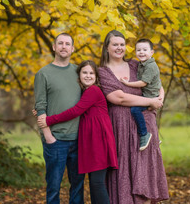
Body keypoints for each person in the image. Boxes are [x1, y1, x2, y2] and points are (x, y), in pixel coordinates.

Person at [98, 30, 169, 204]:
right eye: (115, 44)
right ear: (107, 47)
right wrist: (149, 101)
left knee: (143, 172)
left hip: (143, 127)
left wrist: (160, 96)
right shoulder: (102, 71)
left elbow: (155, 81)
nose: (119, 48)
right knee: (123, 170)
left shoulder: (135, 65)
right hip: (119, 128)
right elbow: (118, 98)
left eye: (122, 44)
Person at [37, 60, 118, 204]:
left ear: (96, 77)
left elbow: (75, 111)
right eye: (84, 72)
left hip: (99, 141)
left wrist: (49, 120)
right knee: (94, 183)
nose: (88, 76)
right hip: (91, 142)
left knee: (97, 183)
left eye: (91, 73)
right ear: (79, 75)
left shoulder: (93, 90)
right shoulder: (84, 92)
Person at [34, 33, 85, 204]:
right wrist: (48, 136)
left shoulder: (79, 72)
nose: (64, 46)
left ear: (72, 48)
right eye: (60, 43)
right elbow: (40, 106)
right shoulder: (43, 74)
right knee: (53, 187)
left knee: (78, 187)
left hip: (79, 139)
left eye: (67, 44)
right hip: (55, 140)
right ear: (54, 47)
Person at [120, 38, 163, 151]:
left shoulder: (150, 66)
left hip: (150, 96)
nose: (141, 52)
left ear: (151, 52)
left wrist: (127, 84)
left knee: (135, 110)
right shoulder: (141, 64)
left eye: (145, 50)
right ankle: (155, 138)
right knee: (145, 114)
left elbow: (143, 83)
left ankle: (144, 134)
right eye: (138, 50)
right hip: (149, 95)